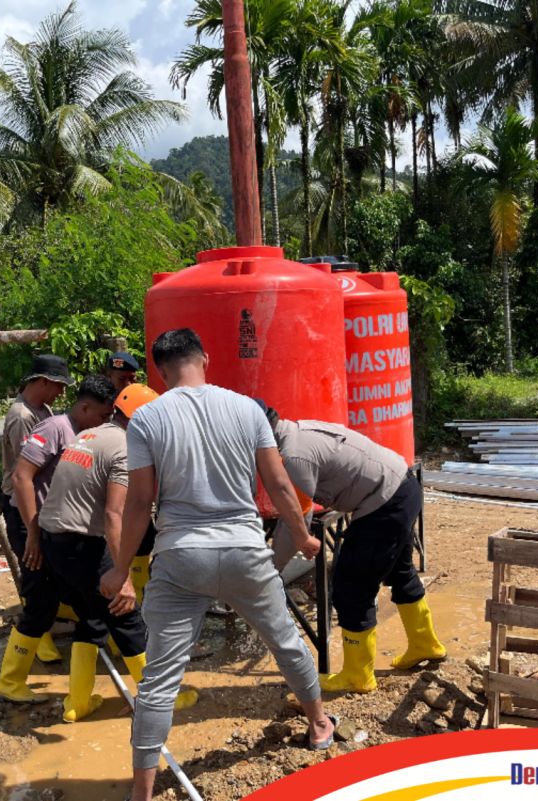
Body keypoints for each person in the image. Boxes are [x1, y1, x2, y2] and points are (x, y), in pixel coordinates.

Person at [100, 328, 336, 801]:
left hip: (181, 557)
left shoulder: (146, 420)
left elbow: (140, 502)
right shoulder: (247, 409)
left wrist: (120, 569)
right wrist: (306, 535)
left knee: (160, 677)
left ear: (159, 372)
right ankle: (319, 723)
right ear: (204, 357)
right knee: (286, 643)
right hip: (246, 550)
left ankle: (141, 794)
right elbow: (281, 485)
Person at [39, 383, 196, 722]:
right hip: (83, 545)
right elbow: (114, 513)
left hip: (53, 543)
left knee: (91, 619)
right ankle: (160, 700)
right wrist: (122, 574)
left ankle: (77, 703)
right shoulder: (125, 449)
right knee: (126, 615)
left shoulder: (90, 435)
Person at [266, 408, 445, 694]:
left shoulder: (294, 458)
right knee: (400, 572)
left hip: (384, 503)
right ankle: (426, 645)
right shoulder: (297, 430)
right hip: (403, 488)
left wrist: (271, 569)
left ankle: (357, 676)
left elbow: (294, 521)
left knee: (350, 588)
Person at [0, 374, 118, 703]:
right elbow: (22, 477)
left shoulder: (86, 432)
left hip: (56, 530)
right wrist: (33, 533)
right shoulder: (54, 428)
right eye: (105, 416)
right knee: (40, 603)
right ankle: (10, 680)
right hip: (32, 524)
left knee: (73, 603)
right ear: (86, 407)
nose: (108, 423)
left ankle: (76, 693)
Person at [0, 354, 73, 665]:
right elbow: (23, 476)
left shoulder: (41, 409)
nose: (61, 392)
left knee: (48, 575)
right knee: (36, 575)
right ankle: (34, 639)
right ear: (42, 381)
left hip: (39, 504)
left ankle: (44, 626)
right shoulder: (22, 415)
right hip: (22, 508)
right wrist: (32, 528)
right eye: (58, 385)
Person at [104, 353, 154, 601]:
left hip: (135, 493)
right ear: (108, 376)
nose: (127, 384)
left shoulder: (141, 405)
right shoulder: (99, 406)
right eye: (122, 379)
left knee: (145, 540)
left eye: (132, 378)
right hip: (110, 499)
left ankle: (141, 598)